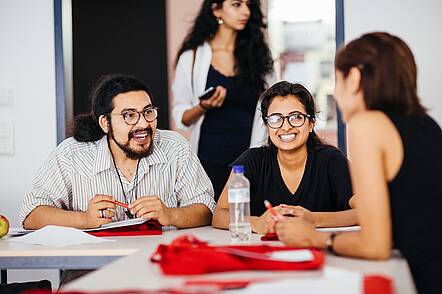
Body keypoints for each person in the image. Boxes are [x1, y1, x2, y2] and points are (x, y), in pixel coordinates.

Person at [273, 33, 442, 294]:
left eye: (337, 80)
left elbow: (375, 246)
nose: (336, 93)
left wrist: (313, 237)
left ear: (353, 78)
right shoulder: (427, 124)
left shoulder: (367, 124)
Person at [20, 74, 215, 230]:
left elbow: (206, 208)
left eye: (148, 112)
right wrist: (85, 219)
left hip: (158, 265)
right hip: (91, 269)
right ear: (105, 123)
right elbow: (31, 215)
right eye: (129, 115)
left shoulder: (176, 147)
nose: (143, 124)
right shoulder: (71, 154)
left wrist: (170, 215)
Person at [212, 81, 356, 233]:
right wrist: (256, 222)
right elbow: (219, 215)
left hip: (320, 249)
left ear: (311, 123)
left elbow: (367, 212)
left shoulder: (332, 161)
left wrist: (313, 219)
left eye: (296, 117)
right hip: (264, 252)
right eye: (275, 119)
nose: (286, 127)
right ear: (267, 126)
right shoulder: (252, 160)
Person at [172, 0, 275, 200]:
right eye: (236, 5)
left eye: (248, 5)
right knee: (209, 220)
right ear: (216, 9)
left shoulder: (259, 57)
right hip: (207, 160)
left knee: (246, 217)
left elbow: (273, 104)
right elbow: (181, 117)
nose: (245, 11)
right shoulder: (192, 57)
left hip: (249, 158)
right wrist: (203, 106)